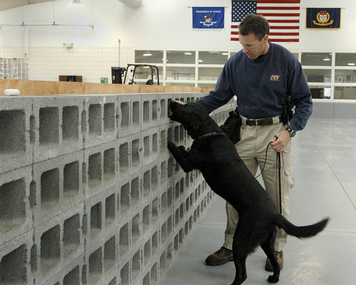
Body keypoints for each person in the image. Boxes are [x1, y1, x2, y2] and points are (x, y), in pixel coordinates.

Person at [195, 14, 312, 271]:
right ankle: (230, 244)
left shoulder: (286, 61)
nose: (245, 50)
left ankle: (277, 249)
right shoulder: (236, 63)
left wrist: (290, 131)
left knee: (277, 196)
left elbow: (305, 101)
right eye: (242, 44)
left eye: (249, 45)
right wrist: (190, 109)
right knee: (236, 193)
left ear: (265, 39)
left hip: (276, 134)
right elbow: (218, 97)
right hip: (244, 133)